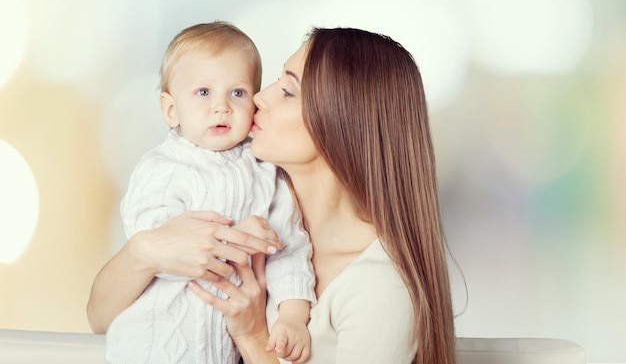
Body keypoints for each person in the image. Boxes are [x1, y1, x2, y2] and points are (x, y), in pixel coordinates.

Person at [87, 26, 457, 364]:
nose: (258, 97)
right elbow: (100, 318)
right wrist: (144, 251)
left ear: (340, 123)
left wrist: (252, 336)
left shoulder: (380, 288)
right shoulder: (250, 198)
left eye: (287, 90)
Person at [103, 21, 316, 364]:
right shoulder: (162, 167)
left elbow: (290, 249)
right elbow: (157, 250)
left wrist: (293, 317)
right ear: (171, 110)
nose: (222, 107)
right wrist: (235, 242)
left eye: (238, 92)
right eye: (204, 92)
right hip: (153, 348)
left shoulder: (266, 170)